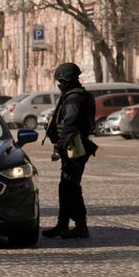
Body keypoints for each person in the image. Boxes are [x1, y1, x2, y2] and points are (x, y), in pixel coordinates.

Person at [42, 62, 97, 239]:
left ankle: (81, 226)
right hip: (73, 147)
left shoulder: (74, 98)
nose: (59, 85)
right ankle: (63, 225)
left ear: (67, 81)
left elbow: (70, 124)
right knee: (66, 187)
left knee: (71, 187)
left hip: (74, 148)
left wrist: (58, 148)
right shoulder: (77, 95)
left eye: (60, 82)